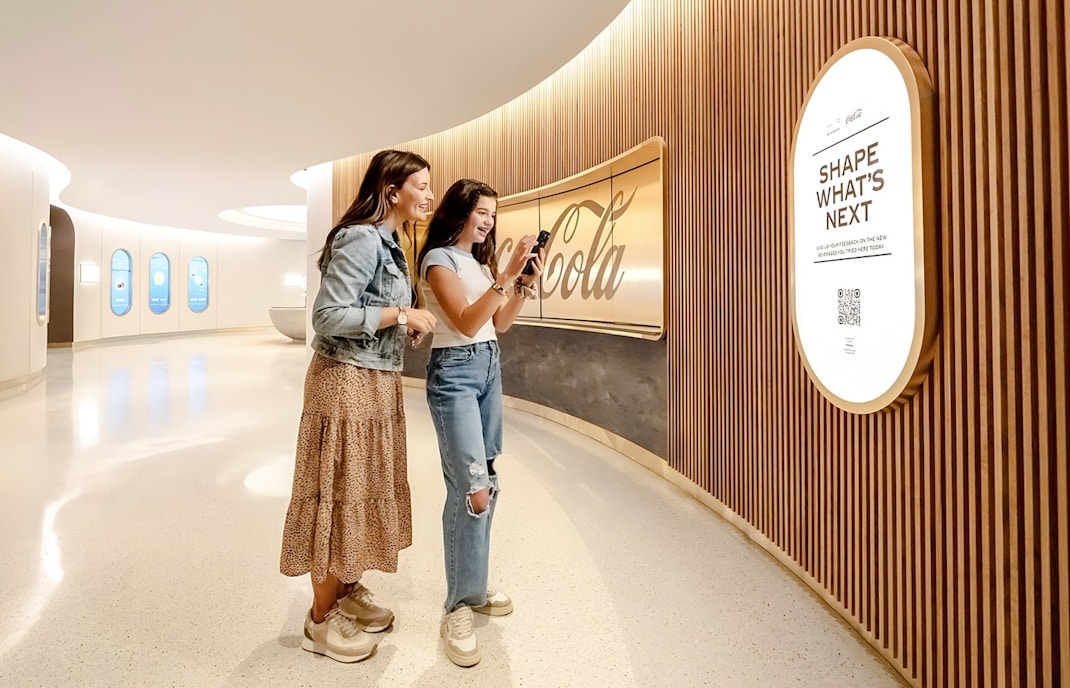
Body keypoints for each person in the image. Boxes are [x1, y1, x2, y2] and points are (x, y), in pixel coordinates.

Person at [279, 150, 438, 663]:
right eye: (421, 185)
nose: (429, 195)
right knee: (339, 487)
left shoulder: (392, 243)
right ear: (392, 190)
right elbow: (328, 316)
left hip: (375, 381)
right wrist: (398, 312)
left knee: (362, 484)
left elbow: (376, 315)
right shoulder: (361, 237)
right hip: (345, 382)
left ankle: (346, 590)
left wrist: (404, 322)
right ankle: (321, 618)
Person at [416, 178, 543, 667]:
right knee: (471, 490)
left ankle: (472, 584)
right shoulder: (439, 260)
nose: (489, 220)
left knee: (488, 482)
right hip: (455, 373)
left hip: (489, 367)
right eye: (481, 211)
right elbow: (466, 322)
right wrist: (505, 274)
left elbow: (499, 323)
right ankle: (457, 607)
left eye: (494, 212)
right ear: (460, 211)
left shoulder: (479, 261)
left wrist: (522, 284)